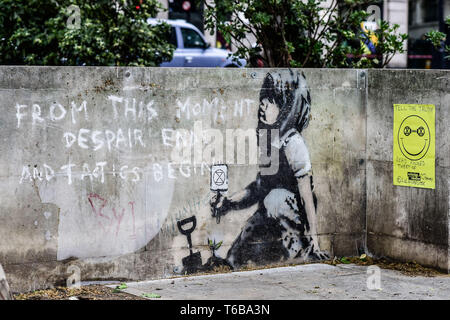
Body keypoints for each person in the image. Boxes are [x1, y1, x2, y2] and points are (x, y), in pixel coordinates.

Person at [211, 70, 328, 269]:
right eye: (263, 98)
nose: (263, 105)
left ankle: (302, 252)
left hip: (293, 213)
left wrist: (314, 238)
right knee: (250, 228)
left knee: (276, 198)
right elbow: (258, 187)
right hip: (271, 209)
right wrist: (228, 202)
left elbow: (306, 195)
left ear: (286, 106)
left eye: (271, 100)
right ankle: (230, 264)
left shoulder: (293, 143)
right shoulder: (269, 140)